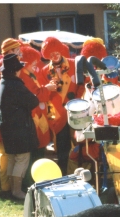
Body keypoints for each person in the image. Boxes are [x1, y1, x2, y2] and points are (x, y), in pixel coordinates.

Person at [0, 54, 39, 199]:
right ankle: (17, 191)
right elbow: (33, 101)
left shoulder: (3, 82)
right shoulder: (15, 84)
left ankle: (11, 189)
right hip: (19, 129)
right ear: (15, 70)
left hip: (8, 129)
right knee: (21, 158)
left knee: (13, 159)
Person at [40, 37, 85, 175]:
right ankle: (64, 173)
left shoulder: (73, 64)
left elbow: (82, 84)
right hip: (57, 114)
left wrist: (77, 100)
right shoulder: (44, 71)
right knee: (62, 146)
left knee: (79, 142)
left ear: (60, 50)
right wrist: (48, 89)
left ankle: (82, 173)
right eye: (51, 54)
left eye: (56, 52)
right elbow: (42, 91)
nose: (54, 55)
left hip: (75, 110)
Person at [19, 45, 57, 189]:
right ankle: (33, 181)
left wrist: (45, 88)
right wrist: (47, 89)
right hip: (34, 117)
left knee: (38, 148)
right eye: (33, 61)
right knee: (36, 150)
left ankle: (35, 180)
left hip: (38, 116)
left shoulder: (29, 74)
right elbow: (34, 95)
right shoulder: (24, 76)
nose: (36, 63)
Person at [0, 38, 22, 191]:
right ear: (10, 52)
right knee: (5, 154)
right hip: (3, 117)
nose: (20, 52)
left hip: (1, 115)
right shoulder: (1, 67)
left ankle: (7, 185)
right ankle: (5, 186)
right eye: (17, 50)